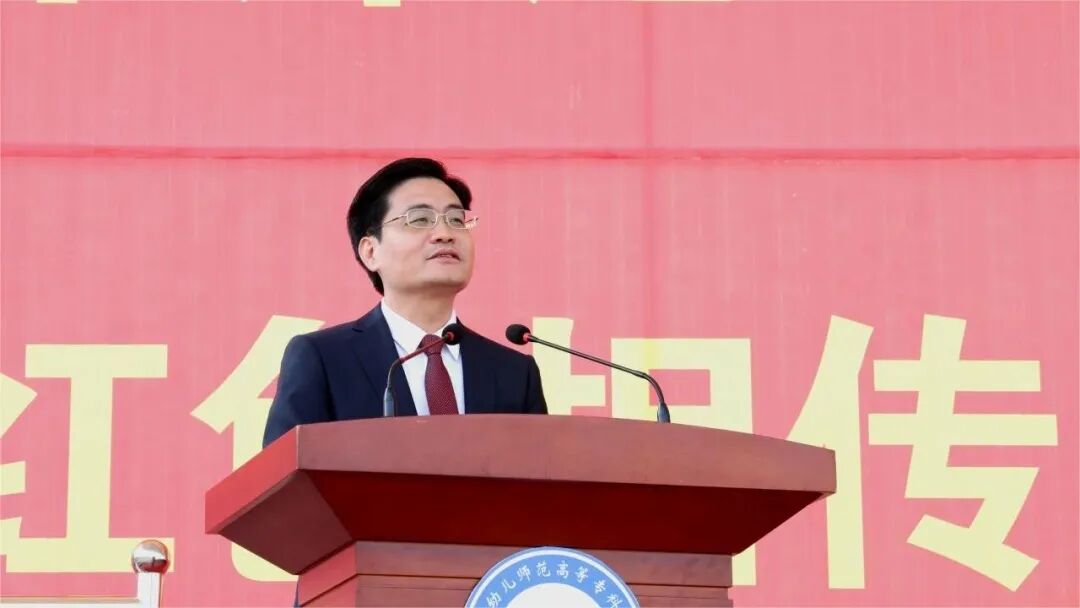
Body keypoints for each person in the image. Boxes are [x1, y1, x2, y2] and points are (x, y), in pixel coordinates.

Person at [262, 158, 547, 448]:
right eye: (420, 220)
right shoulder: (324, 358)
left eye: (456, 220)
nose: (445, 234)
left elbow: (538, 471)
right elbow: (284, 471)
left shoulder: (514, 372)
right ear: (370, 251)